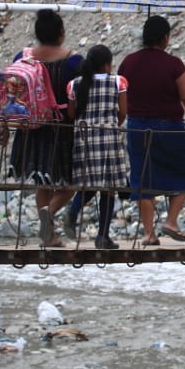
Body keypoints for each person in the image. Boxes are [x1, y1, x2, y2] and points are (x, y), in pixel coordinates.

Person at [118, 15, 185, 247]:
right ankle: (170, 221)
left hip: (137, 127)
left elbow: (121, 96)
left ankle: (149, 234)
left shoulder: (128, 62)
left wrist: (122, 119)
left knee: (142, 178)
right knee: (183, 175)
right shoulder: (173, 64)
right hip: (169, 128)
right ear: (165, 38)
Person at [0, 9, 82, 248]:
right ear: (61, 33)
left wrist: (4, 125)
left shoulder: (22, 57)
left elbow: (10, 94)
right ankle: (50, 215)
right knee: (70, 184)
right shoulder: (74, 61)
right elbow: (80, 94)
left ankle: (50, 233)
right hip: (61, 130)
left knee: (42, 183)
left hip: (29, 130)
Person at [66, 44, 127, 250]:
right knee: (108, 188)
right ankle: (103, 236)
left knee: (89, 182)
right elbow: (123, 113)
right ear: (108, 64)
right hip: (109, 138)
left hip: (84, 138)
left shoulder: (74, 85)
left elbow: (72, 115)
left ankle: (72, 213)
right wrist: (110, 124)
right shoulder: (118, 82)